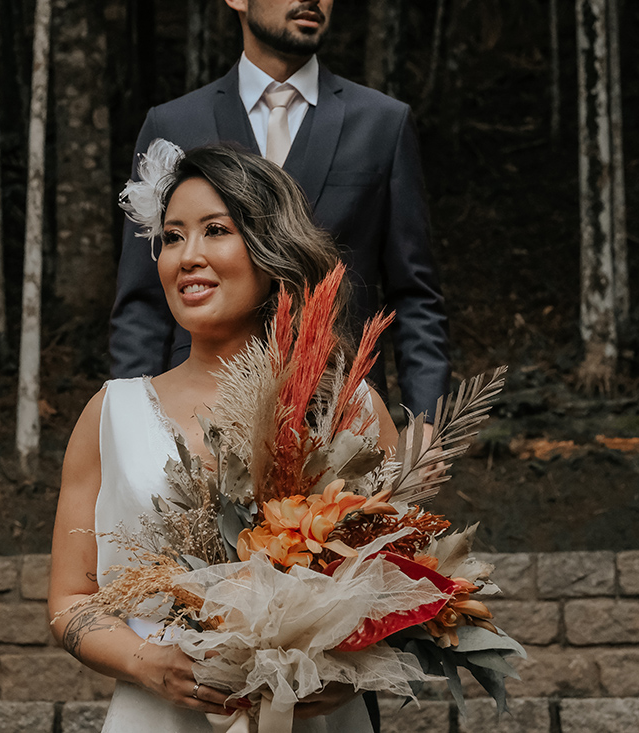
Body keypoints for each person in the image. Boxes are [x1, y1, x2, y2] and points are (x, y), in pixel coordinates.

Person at [49, 145, 398, 732]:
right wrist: (147, 662)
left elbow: (407, 583)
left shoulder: (348, 407)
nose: (188, 257)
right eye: (172, 236)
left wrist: (346, 670)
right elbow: (69, 602)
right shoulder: (111, 413)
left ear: (269, 247)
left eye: (215, 231)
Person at [110, 0, 451, 429]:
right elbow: (142, 299)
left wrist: (427, 420)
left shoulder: (383, 123)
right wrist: (131, 423)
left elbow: (414, 292)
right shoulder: (174, 122)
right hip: (196, 415)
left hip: (341, 417)